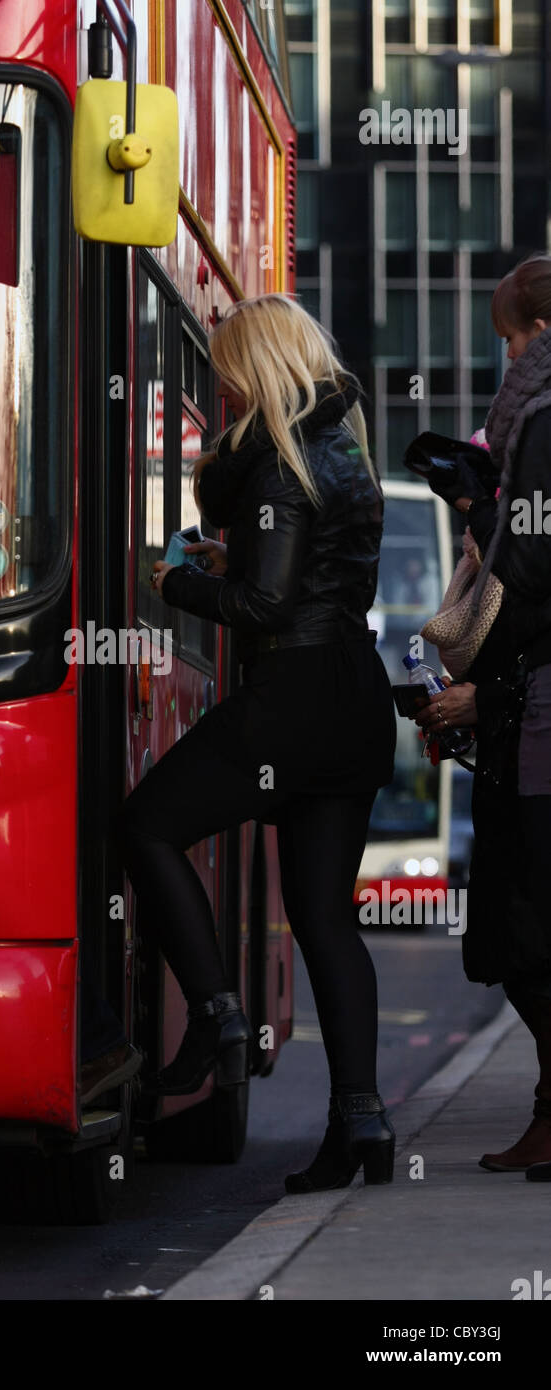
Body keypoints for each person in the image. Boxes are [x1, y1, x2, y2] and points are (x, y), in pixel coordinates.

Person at [117, 293, 397, 1193]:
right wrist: (229, 564)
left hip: (295, 695)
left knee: (146, 827)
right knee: (325, 917)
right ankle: (363, 1122)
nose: (226, 387)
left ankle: (216, 1016)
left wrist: (172, 581)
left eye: (231, 369)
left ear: (258, 366)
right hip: (354, 693)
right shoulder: (345, 450)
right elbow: (308, 575)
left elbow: (270, 609)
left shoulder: (278, 464)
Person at [415, 253, 551, 1180]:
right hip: (528, 700)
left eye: (506, 339)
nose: (503, 359)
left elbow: (537, 583)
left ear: (535, 334)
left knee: (527, 920)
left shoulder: (540, 418)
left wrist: (486, 692)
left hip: (538, 706)